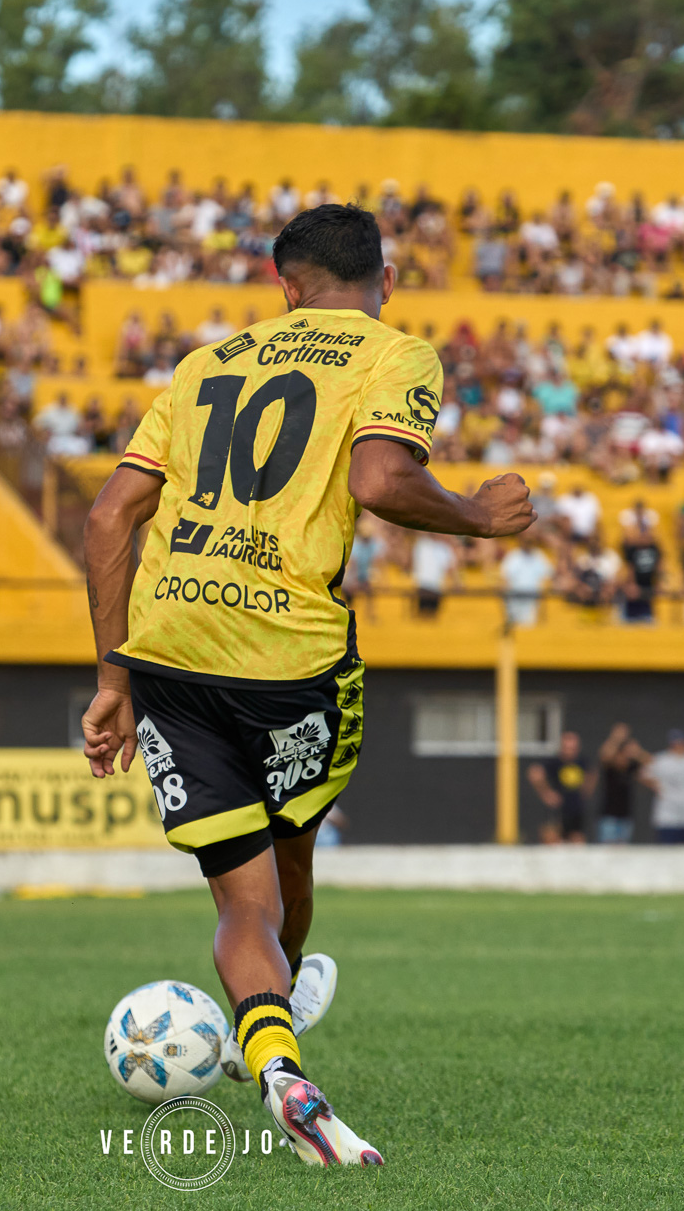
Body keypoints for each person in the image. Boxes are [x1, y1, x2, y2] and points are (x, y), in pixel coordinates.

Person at [80, 202, 534, 1167]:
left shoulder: (202, 367)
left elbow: (110, 518)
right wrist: (478, 520)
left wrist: (114, 673)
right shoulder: (394, 354)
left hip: (170, 653)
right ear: (386, 279)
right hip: (289, 658)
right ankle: (277, 1019)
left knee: (243, 902)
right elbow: (378, 481)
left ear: (283, 285)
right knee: (290, 868)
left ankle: (275, 1056)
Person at [529, 731, 592, 844]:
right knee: (552, 841)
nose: (570, 751)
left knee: (577, 842)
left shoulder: (582, 761)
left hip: (576, 810)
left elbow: (591, 775)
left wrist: (585, 791)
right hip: (557, 812)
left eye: (573, 748)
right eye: (567, 748)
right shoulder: (554, 762)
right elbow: (535, 772)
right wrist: (546, 793)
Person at [595, 724, 644, 843]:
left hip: (626, 816)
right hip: (609, 815)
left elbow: (652, 763)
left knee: (623, 852)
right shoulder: (610, 768)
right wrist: (615, 738)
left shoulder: (632, 767)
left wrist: (638, 751)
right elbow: (604, 755)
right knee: (607, 848)